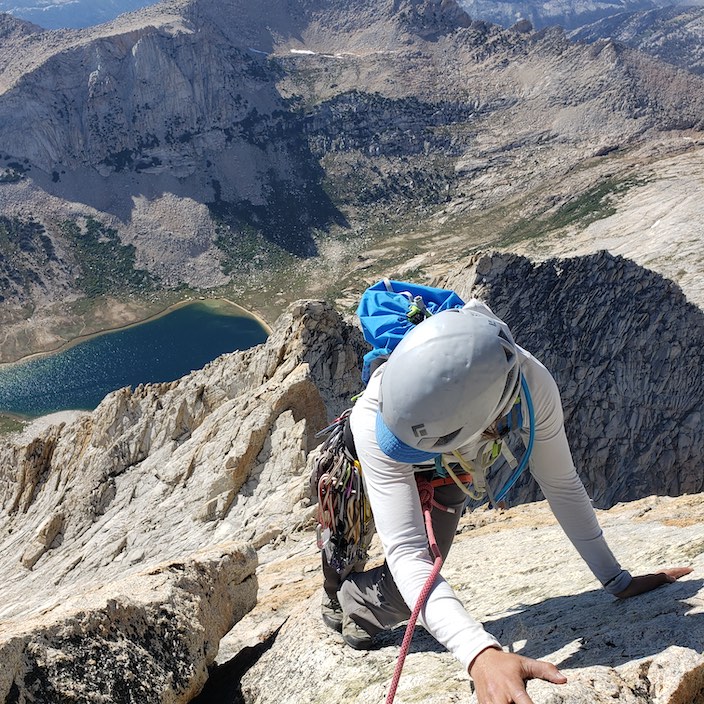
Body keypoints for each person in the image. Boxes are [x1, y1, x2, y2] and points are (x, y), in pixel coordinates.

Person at [320, 300, 692, 704]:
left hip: (452, 462)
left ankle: (355, 604)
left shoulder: (529, 383)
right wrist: (478, 654)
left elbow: (560, 483)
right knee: (384, 558)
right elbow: (407, 552)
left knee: (409, 581)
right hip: (377, 454)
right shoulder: (377, 417)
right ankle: (334, 584)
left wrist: (616, 579)